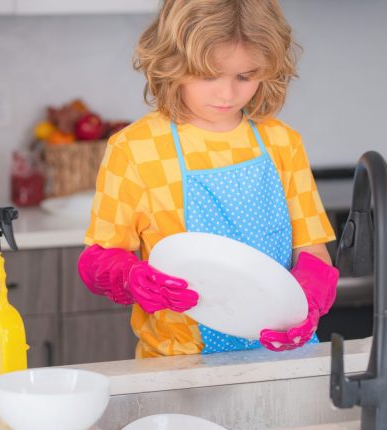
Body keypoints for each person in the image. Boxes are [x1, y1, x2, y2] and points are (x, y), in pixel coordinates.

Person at [77, 0, 339, 358]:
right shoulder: (135, 149)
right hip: (179, 364)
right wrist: (132, 279)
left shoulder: (282, 143)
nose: (227, 94)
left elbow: (312, 249)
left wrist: (308, 300)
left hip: (281, 355)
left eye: (245, 76)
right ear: (172, 62)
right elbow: (99, 257)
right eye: (208, 75)